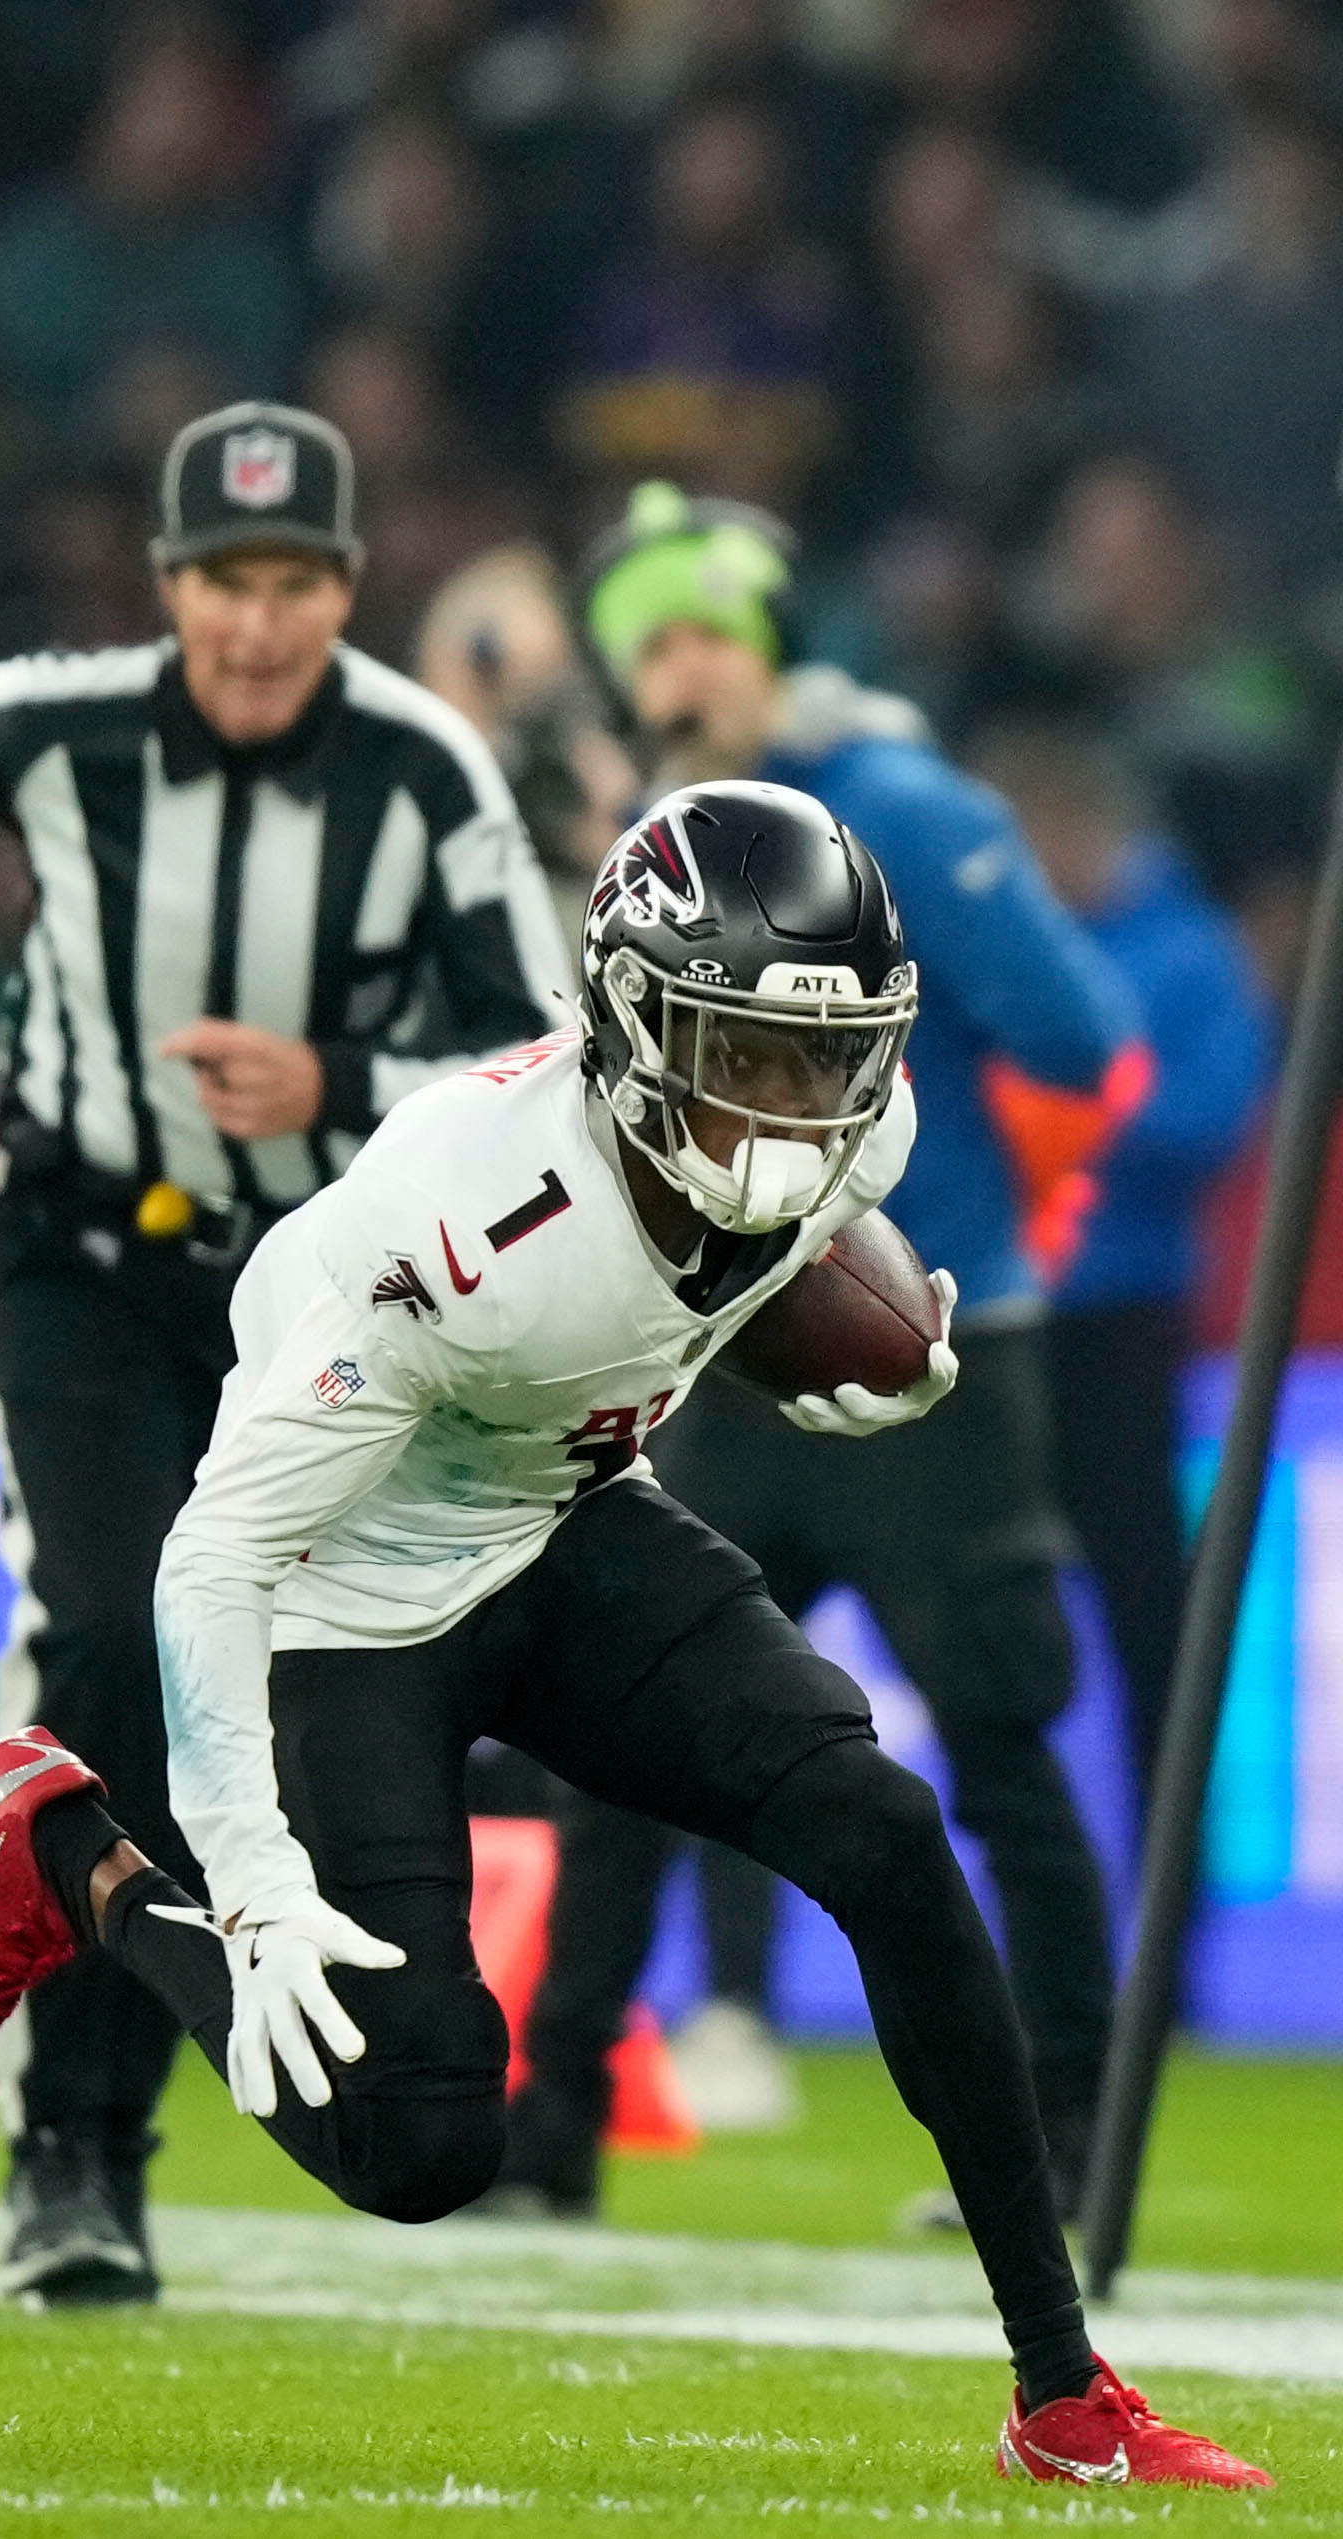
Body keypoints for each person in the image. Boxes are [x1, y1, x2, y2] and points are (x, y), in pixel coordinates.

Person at [0, 782, 1266, 2490]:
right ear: (621, 1022)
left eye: (817, 1061)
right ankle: (62, 1851)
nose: (789, 1108)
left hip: (559, 1517)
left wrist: (857, 1354)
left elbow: (783, 1236)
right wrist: (242, 1870)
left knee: (884, 1832)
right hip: (344, 1592)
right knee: (415, 2131)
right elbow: (215, 1554)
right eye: (740, 1054)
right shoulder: (452, 1225)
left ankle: (1060, 2392)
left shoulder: (862, 1130)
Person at [0, 402, 571, 2305]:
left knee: (261, 1669)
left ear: (344, 591)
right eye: (223, 581)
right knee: (121, 1642)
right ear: (167, 588)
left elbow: (540, 1048)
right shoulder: (65, 727)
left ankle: (174, 2015)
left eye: (290, 581)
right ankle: (74, 2152)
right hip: (77, 1251)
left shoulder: (420, 766)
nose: (252, 622)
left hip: (315, 1283)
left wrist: (339, 1087)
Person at [495, 485, 1142, 2215]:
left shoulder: (909, 807)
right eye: (651, 646)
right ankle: (550, 2130)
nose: (677, 668)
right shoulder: (652, 829)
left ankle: (1073, 2140)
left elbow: (1082, 1033)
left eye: (701, 632)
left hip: (931, 1343)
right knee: (617, 1729)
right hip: (721, 1343)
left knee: (998, 1743)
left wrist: (971, 1209)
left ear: (763, 643)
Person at [967, 711, 1272, 1822]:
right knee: (981, 1628)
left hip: (1119, 1329)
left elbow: (1216, 1120)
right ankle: (1021, 1913)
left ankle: (1168, 1942)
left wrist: (1067, 1106)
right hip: (991, 1325)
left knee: (1150, 1622)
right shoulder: (985, 949)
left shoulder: (1185, 950)